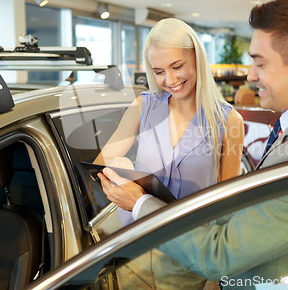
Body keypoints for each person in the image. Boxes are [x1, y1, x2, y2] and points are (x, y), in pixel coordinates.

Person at [99, 0, 288, 289]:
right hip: (142, 249)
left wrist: (139, 202)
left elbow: (222, 243)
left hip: (193, 257)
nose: (250, 76)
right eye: (159, 71)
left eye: (260, 62)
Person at [95, 18, 244, 289]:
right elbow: (100, 164)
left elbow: (227, 207)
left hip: (190, 257)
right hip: (134, 249)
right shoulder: (144, 106)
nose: (170, 80)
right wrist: (119, 166)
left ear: (197, 58)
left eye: (177, 66)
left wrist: (215, 277)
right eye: (159, 71)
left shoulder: (228, 121)